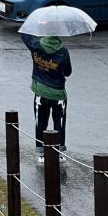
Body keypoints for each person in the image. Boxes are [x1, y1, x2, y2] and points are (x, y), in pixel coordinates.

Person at [21, 32, 72, 162]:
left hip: (40, 92)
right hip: (58, 94)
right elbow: (68, 72)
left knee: (40, 122)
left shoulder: (36, 46)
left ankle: (41, 153)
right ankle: (59, 153)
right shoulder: (63, 51)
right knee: (59, 122)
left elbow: (25, 36)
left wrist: (29, 26)